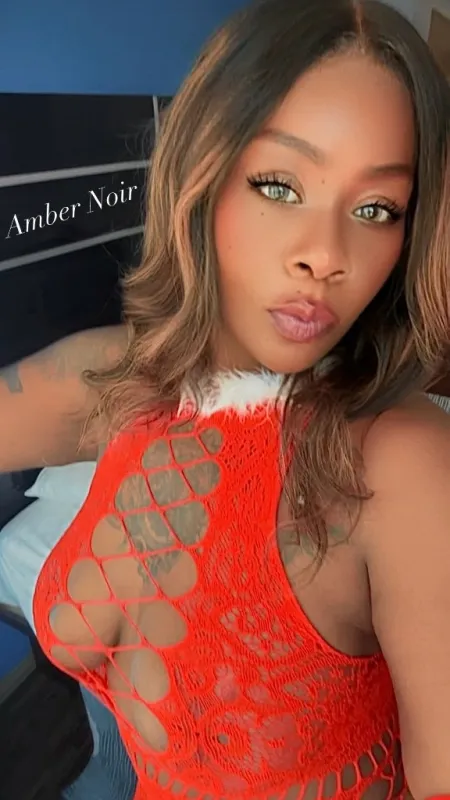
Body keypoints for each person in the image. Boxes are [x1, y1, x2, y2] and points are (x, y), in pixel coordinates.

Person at [1, 0, 450, 797]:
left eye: (375, 209)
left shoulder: (401, 464)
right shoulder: (124, 376)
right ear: (201, 177)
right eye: (280, 185)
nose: (325, 255)